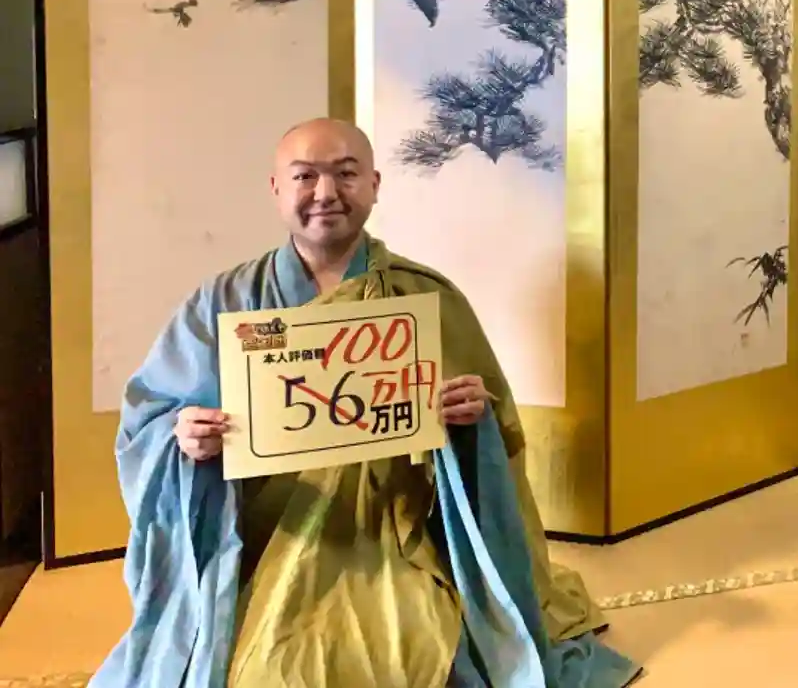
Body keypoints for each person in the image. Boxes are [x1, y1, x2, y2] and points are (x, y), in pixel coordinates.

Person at [91, 118, 640, 688]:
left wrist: (470, 419)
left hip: (397, 529)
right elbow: (149, 419)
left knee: (415, 653)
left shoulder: (423, 296)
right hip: (267, 538)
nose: (325, 193)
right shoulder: (224, 301)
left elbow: (494, 433)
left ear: (374, 185)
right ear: (276, 189)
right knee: (265, 671)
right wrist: (183, 437)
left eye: (346, 174)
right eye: (305, 176)